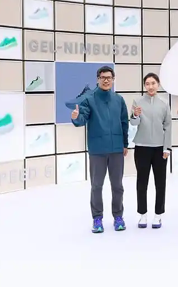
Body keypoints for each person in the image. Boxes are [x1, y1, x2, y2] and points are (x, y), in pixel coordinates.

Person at [71, 65, 129, 233]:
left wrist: (125, 144)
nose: (106, 80)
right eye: (103, 77)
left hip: (116, 149)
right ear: (98, 79)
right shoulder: (89, 99)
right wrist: (76, 118)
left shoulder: (119, 100)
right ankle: (97, 219)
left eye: (109, 78)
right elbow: (82, 118)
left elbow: (124, 123)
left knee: (117, 186)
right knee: (97, 186)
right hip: (97, 150)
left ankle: (118, 217)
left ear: (113, 80)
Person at [130, 72, 172, 229]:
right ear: (144, 86)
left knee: (160, 183)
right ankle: (142, 214)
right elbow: (134, 123)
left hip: (160, 149)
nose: (150, 86)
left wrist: (167, 147)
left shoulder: (164, 104)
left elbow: (168, 126)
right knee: (142, 182)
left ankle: (158, 215)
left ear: (158, 84)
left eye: (153, 83)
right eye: (147, 84)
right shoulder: (137, 102)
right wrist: (135, 115)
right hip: (142, 147)